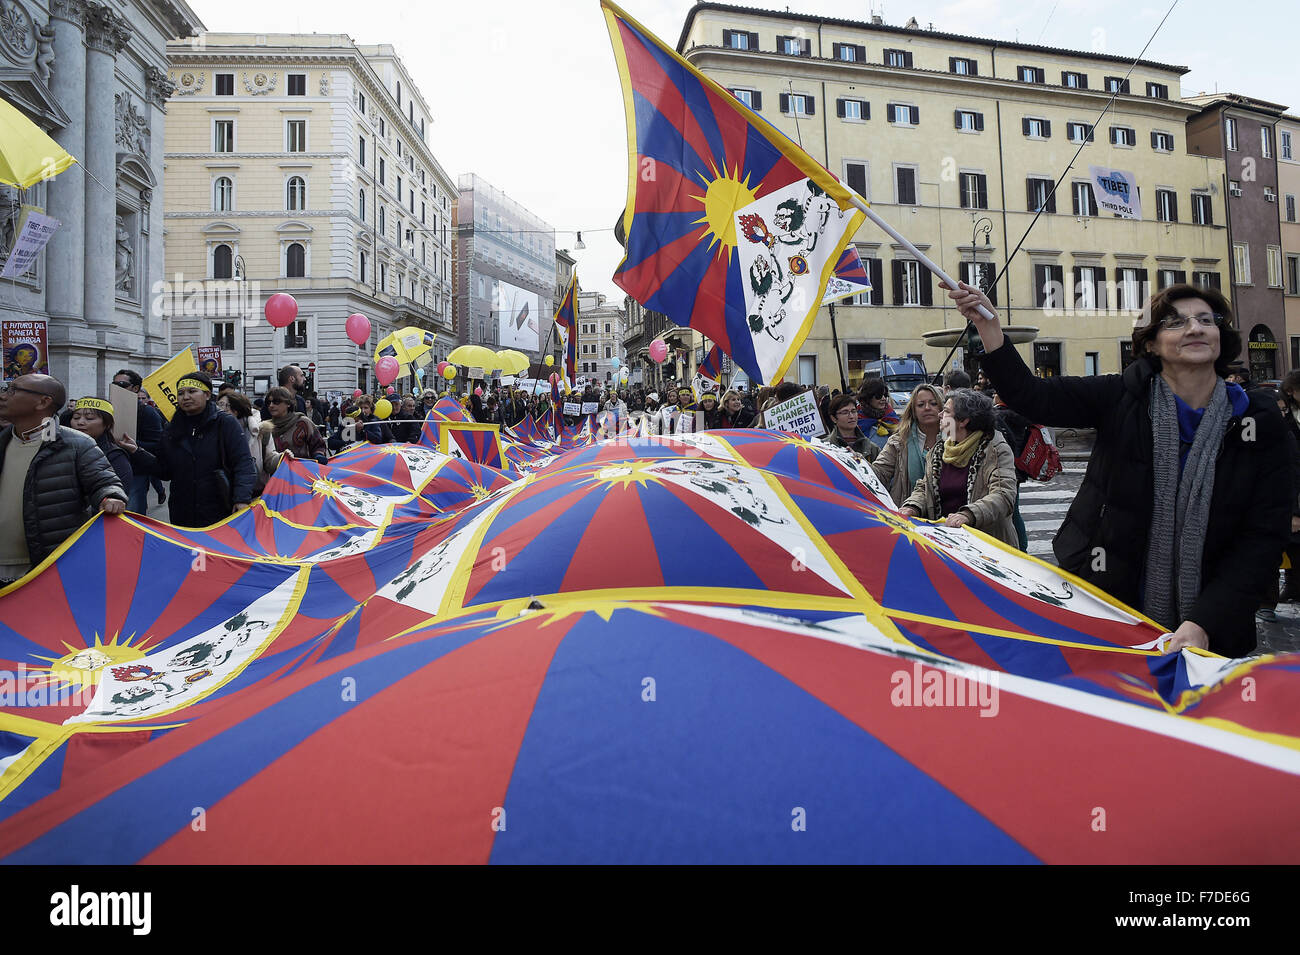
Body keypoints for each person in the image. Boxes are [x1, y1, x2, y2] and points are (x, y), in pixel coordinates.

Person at [945, 278, 1291, 657]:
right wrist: (989, 327)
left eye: (1207, 320)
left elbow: (1262, 536)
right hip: (1112, 607)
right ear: (1150, 343)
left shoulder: (1259, 421)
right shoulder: (1119, 396)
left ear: (1220, 336)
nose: (1195, 327)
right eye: (1176, 322)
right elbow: (1031, 394)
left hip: (1216, 624)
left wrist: (1205, 621)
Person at [0, 374, 126, 584]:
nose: (3, 396)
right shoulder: (3, 441)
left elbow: (104, 482)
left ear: (43, 402)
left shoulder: (76, 444)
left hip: (46, 565)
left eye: (12, 390)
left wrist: (110, 497)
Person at [125, 372, 257, 529]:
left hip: (220, 509)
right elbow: (165, 470)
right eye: (180, 393)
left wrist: (241, 499)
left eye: (192, 391)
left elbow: (243, 463)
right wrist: (137, 452)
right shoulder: (171, 428)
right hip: (182, 513)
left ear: (207, 395)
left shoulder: (225, 423)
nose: (185, 397)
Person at [899, 388, 1018, 546]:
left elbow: (1003, 495)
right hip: (947, 543)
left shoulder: (996, 449)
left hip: (986, 546)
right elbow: (924, 487)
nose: (940, 415)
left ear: (963, 421)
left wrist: (968, 515)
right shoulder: (940, 449)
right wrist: (912, 506)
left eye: (946, 411)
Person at [871, 383, 943, 507]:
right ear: (913, 410)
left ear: (942, 408)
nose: (927, 408)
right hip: (908, 514)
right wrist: (857, 462)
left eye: (933, 403)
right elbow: (879, 473)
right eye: (921, 405)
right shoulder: (898, 442)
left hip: (948, 516)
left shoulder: (954, 439)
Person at [112, 368, 167, 511]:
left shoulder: (148, 412)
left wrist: (132, 445)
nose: (117, 388)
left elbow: (157, 444)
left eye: (122, 385)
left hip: (136, 473)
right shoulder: (109, 409)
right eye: (114, 384)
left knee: (133, 514)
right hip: (110, 471)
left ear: (135, 388)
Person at [68, 397, 132, 489]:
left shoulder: (115, 456)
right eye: (76, 417)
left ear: (107, 424)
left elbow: (117, 495)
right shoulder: (61, 449)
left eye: (89, 418)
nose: (80, 422)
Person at [217, 390, 269, 494]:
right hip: (221, 494)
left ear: (236, 410)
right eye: (219, 404)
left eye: (225, 405)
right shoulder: (213, 431)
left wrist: (282, 458)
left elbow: (270, 458)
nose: (220, 409)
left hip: (254, 493)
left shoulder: (260, 431)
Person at [824, 393, 878, 459]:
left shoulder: (871, 448)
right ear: (833, 418)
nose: (851, 416)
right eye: (845, 412)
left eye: (853, 411)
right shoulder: (825, 447)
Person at [857, 377, 900, 450]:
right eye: (878, 396)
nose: (883, 398)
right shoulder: (856, 419)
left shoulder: (891, 416)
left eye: (885, 395)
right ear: (868, 397)